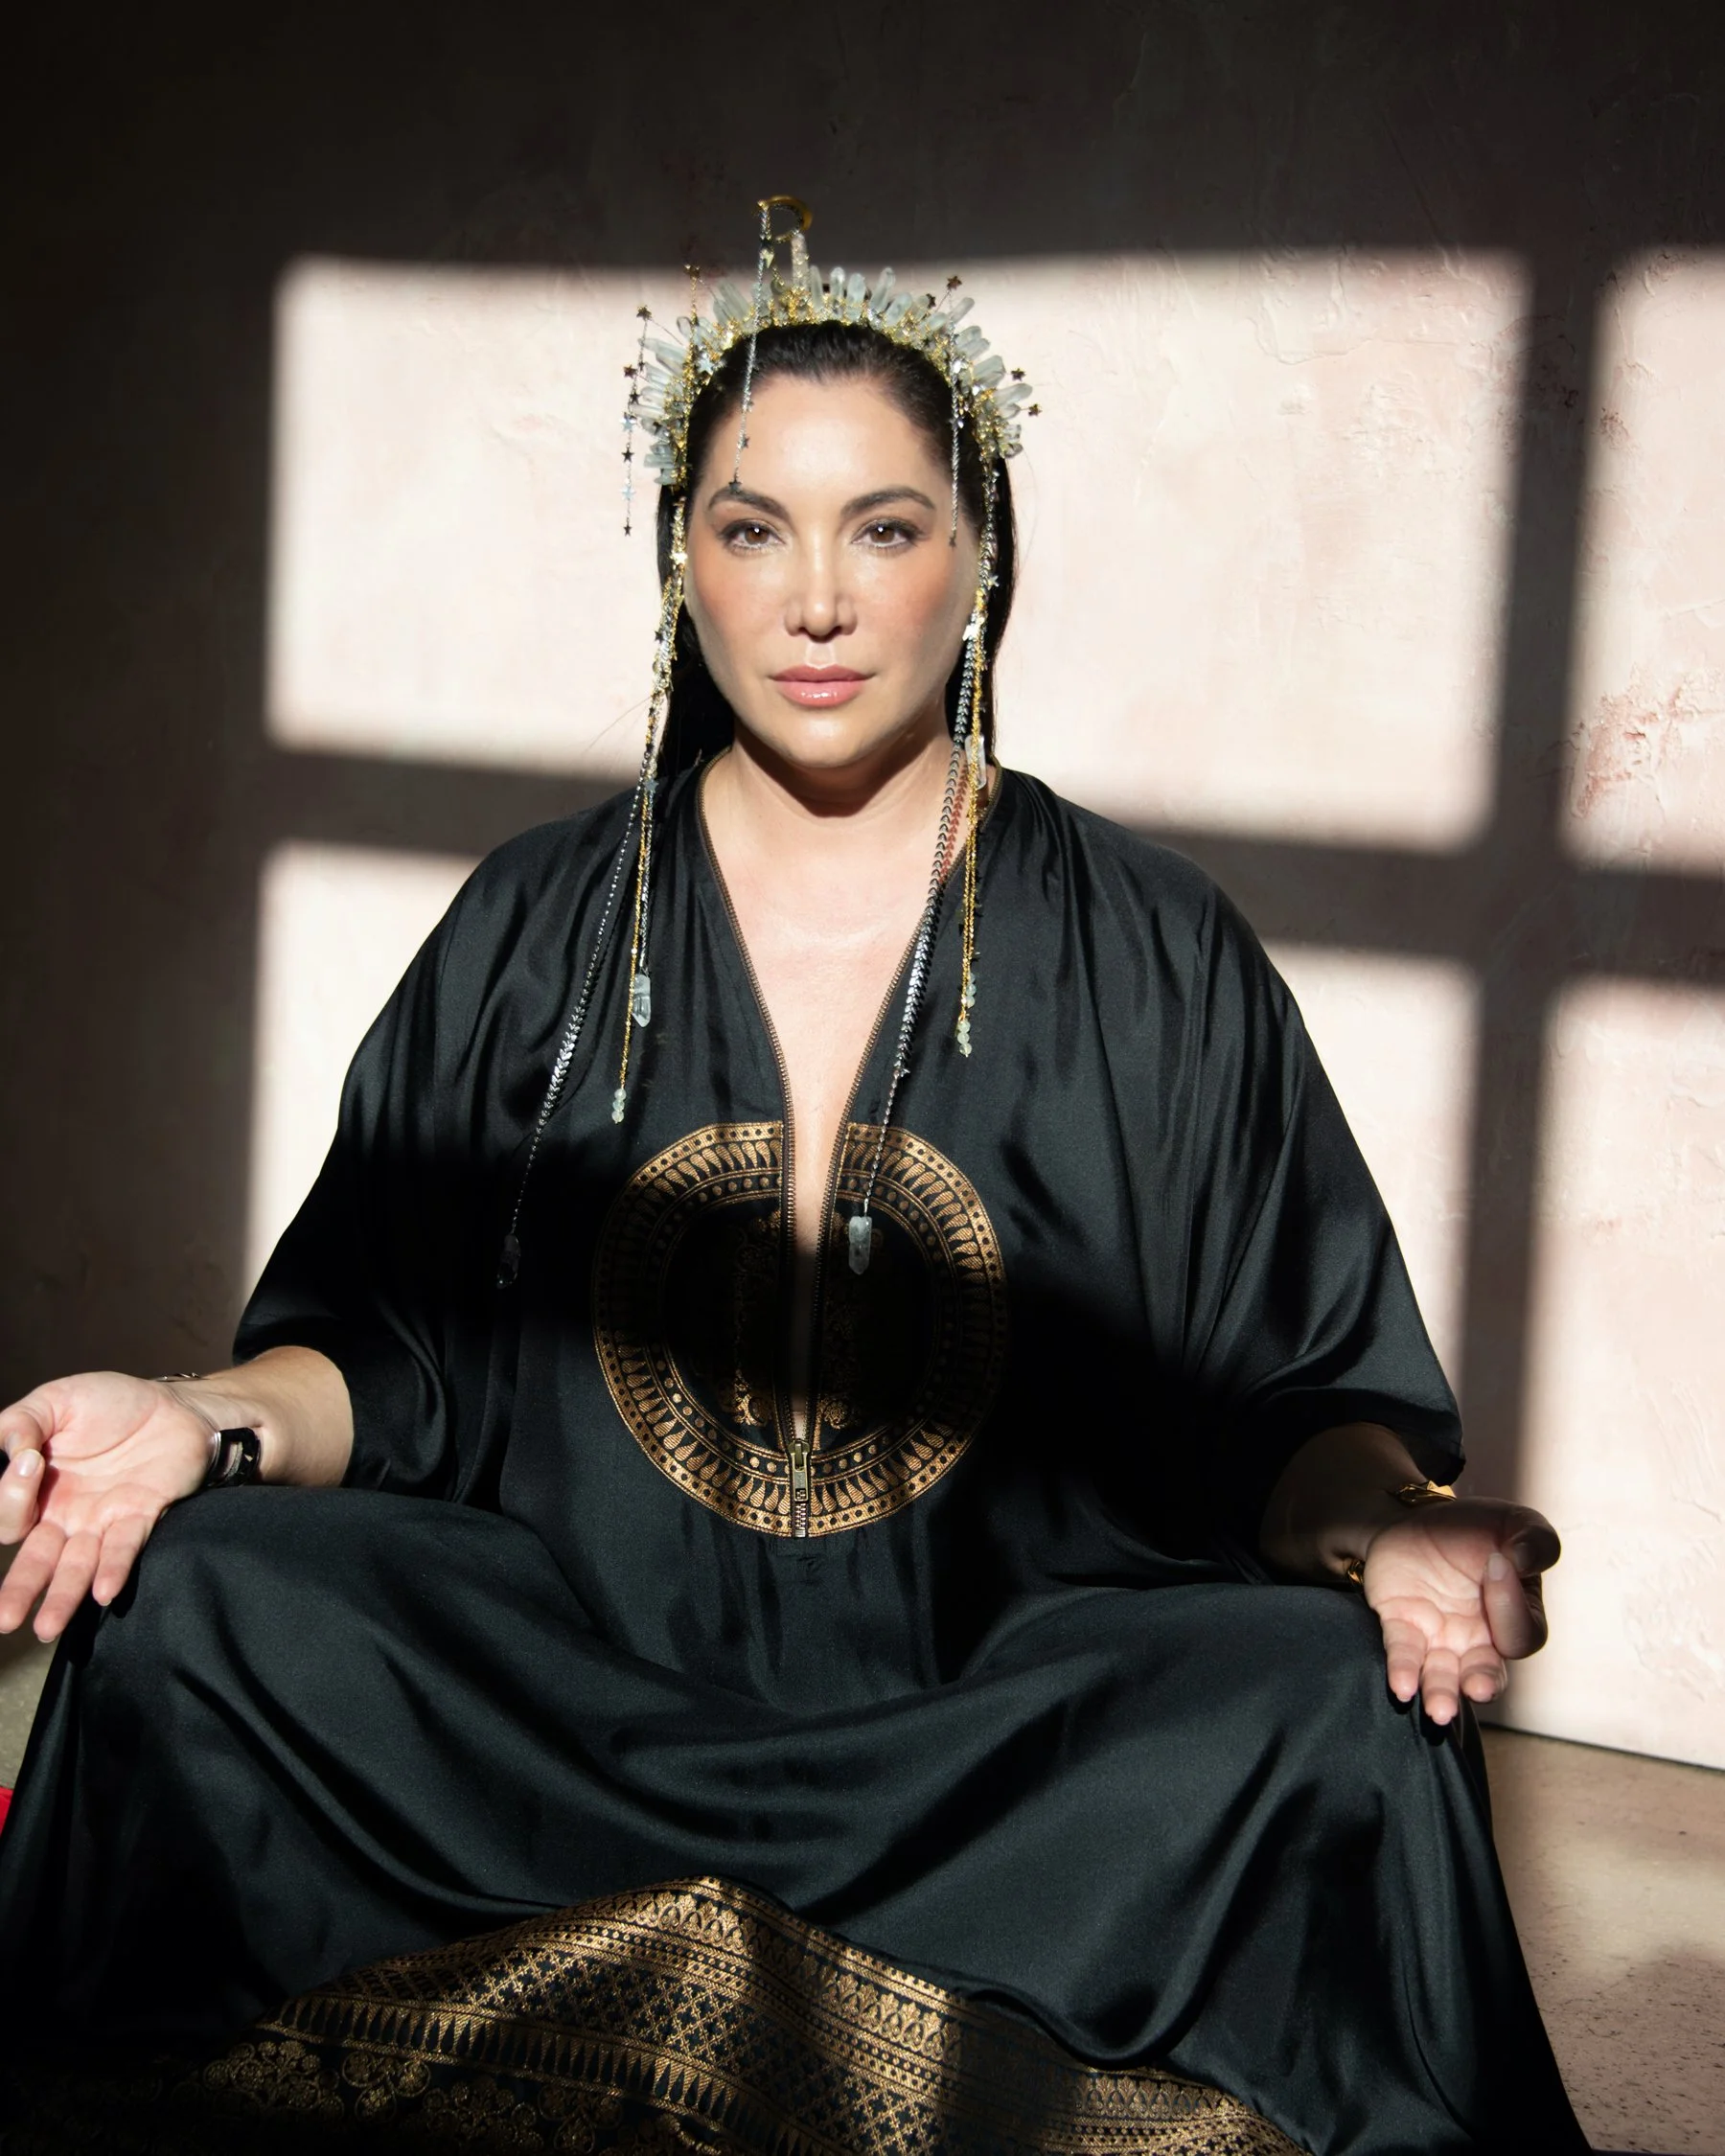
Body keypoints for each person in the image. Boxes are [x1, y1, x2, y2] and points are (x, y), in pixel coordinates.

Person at [0, 204, 1587, 2154]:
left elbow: (1290, 1414)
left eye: (887, 527)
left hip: (991, 1766)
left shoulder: (1160, 958)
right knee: (191, 1604)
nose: (817, 600)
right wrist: (197, 1417)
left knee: (1340, 1713)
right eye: (755, 528)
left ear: (983, 559)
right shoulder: (529, 933)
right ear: (683, 559)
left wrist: (1393, 1533)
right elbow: (385, 1364)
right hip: (567, 1721)